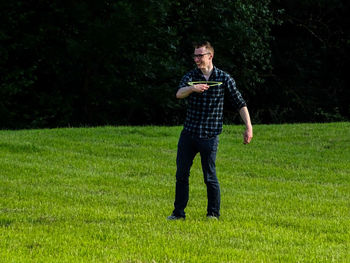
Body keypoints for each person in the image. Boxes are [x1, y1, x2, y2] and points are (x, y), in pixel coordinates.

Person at [167, 41, 253, 220]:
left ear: (210, 56)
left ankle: (213, 214)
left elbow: (240, 103)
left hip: (210, 136)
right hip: (189, 134)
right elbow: (178, 93)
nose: (197, 59)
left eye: (200, 55)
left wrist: (248, 127)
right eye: (195, 56)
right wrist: (192, 88)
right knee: (181, 174)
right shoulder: (191, 76)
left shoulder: (223, 78)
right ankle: (178, 214)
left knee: (210, 176)